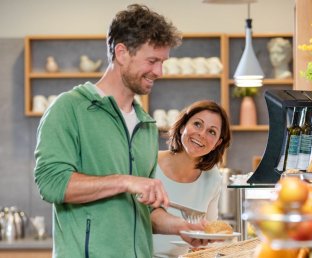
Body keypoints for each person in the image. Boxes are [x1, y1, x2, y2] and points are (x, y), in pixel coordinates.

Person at [34, 4, 206, 258]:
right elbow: (51, 183)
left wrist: (181, 227)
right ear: (122, 52)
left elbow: (144, 210)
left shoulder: (146, 125)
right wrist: (125, 181)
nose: (159, 71)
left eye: (162, 62)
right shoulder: (70, 108)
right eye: (152, 60)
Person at [152, 100, 232, 257]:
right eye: (197, 124)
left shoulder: (213, 177)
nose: (201, 134)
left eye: (212, 132)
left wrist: (202, 246)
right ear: (182, 126)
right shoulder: (149, 162)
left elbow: (209, 231)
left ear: (217, 143)